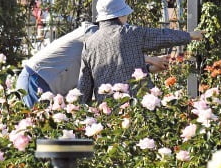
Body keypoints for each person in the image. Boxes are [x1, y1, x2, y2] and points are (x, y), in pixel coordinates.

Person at [78, 0, 203, 102]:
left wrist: (148, 68)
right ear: (120, 15)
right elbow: (162, 35)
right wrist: (190, 35)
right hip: (136, 109)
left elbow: (84, 86)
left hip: (108, 114)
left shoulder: (89, 44)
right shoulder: (130, 33)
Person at [16, 21, 169, 108]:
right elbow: (116, 51)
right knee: (39, 134)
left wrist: (149, 68)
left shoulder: (99, 48)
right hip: (35, 78)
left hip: (49, 85)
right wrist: (150, 58)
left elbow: (120, 65)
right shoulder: (90, 32)